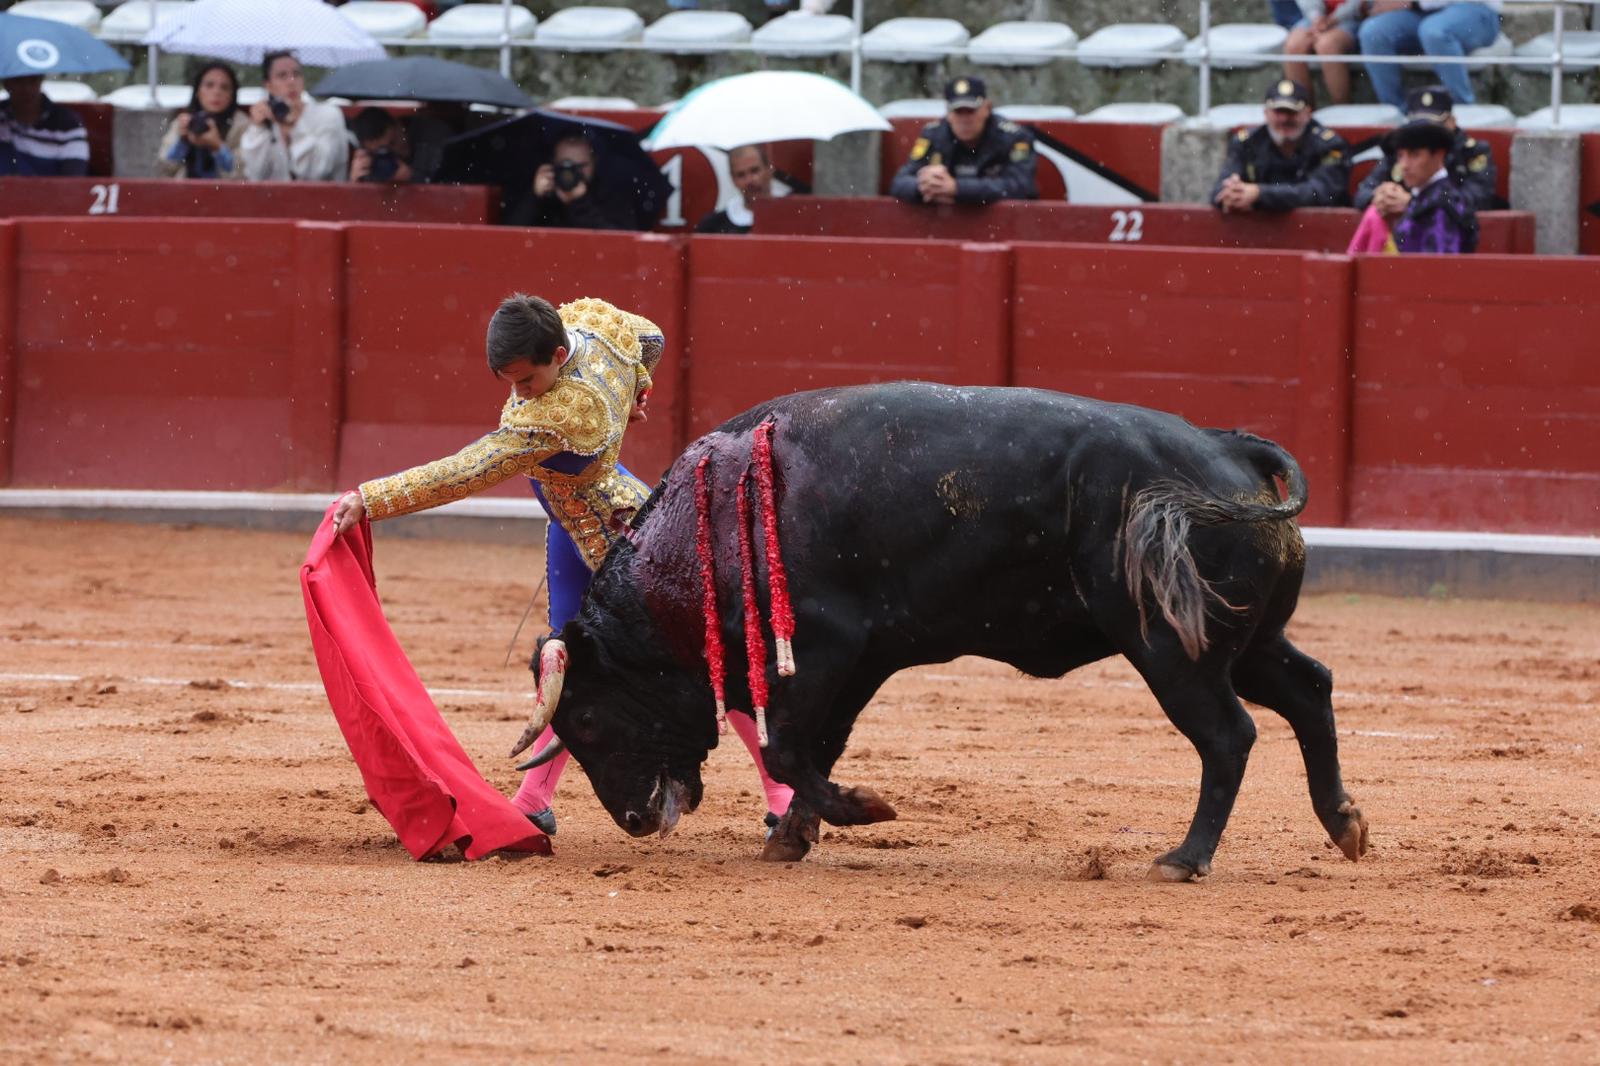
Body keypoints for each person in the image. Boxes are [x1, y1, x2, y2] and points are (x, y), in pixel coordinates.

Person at [329, 295, 794, 836]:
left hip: (622, 546)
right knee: (565, 668)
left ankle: (783, 792)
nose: (519, 394)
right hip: (575, 529)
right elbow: (651, 338)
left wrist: (372, 498)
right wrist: (637, 389)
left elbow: (465, 472)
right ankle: (532, 798)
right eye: (511, 383)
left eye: (527, 381)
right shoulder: (592, 328)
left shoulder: (560, 416)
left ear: (554, 354)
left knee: (702, 661)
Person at [890, 76, 1037, 205]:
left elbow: (1021, 186)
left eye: (971, 111)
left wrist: (957, 188)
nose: (964, 119)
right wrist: (926, 187)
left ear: (987, 108)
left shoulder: (1013, 137)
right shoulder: (934, 135)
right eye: (958, 112)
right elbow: (899, 182)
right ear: (948, 113)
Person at [1212, 79, 1351, 213]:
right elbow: (1218, 191)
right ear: (1266, 114)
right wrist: (1231, 194)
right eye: (1278, 112)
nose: (1284, 119)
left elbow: (1322, 193)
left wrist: (1260, 194)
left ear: (1307, 113)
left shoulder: (1330, 145)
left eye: (1292, 112)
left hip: (1320, 228)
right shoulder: (1247, 143)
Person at [1354, 85, 1498, 213]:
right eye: (1418, 126)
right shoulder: (1400, 149)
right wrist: (1382, 197)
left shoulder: (1472, 152)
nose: (1423, 134)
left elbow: (1478, 199)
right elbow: (1363, 193)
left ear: (1451, 122)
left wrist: (1413, 202)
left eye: (1432, 126)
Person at [1359, 1, 1502, 109]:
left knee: (1433, 32)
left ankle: (1462, 110)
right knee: (1372, 32)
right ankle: (1395, 113)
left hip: (1474, 8)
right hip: (1419, 12)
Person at [240, 51, 350, 182]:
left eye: (296, 74)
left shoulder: (328, 115)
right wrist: (258, 129)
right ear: (268, 85)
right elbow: (255, 174)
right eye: (282, 76)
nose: (291, 82)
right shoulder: (268, 119)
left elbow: (317, 171)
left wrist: (294, 128)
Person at [1381, 115, 1479, 254]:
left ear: (1439, 155)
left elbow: (1437, 269)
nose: (1404, 165)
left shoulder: (1442, 205)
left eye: (1414, 155)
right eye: (1400, 156)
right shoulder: (1428, 195)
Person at [506, 133, 640, 230]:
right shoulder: (542, 194)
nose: (572, 173)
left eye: (580, 166)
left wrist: (579, 203)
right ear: (552, 163)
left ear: (594, 163)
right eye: (565, 165)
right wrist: (533, 197)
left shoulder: (612, 196)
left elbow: (618, 244)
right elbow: (508, 238)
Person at [156, 62, 248, 181]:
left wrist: (218, 146)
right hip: (185, 193)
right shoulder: (183, 121)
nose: (216, 92)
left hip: (226, 194)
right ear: (198, 92)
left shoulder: (242, 125)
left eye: (224, 87)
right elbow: (165, 168)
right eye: (209, 85)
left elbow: (242, 173)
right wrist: (182, 141)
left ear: (232, 95)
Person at [0, 75, 88, 177]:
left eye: (33, 80)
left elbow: (73, 180)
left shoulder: (68, 122)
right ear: (6, 84)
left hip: (53, 192)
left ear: (41, 80)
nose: (26, 89)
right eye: (18, 81)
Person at [1282, 1, 1364, 107]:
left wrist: (1334, 19)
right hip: (1315, 17)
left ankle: (1342, 111)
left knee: (1327, 45)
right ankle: (1302, 110)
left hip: (1352, 16)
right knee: (1293, 45)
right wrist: (1317, 18)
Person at [696, 144, 779, 234]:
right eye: (741, 175)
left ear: (769, 169)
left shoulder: (792, 217)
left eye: (755, 170)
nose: (749, 180)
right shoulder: (712, 227)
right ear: (733, 179)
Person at [347, 107, 414, 184]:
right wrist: (355, 182)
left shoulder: (424, 145)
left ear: (399, 125)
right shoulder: (368, 168)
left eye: (392, 142)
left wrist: (412, 178)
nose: (389, 154)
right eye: (379, 153)